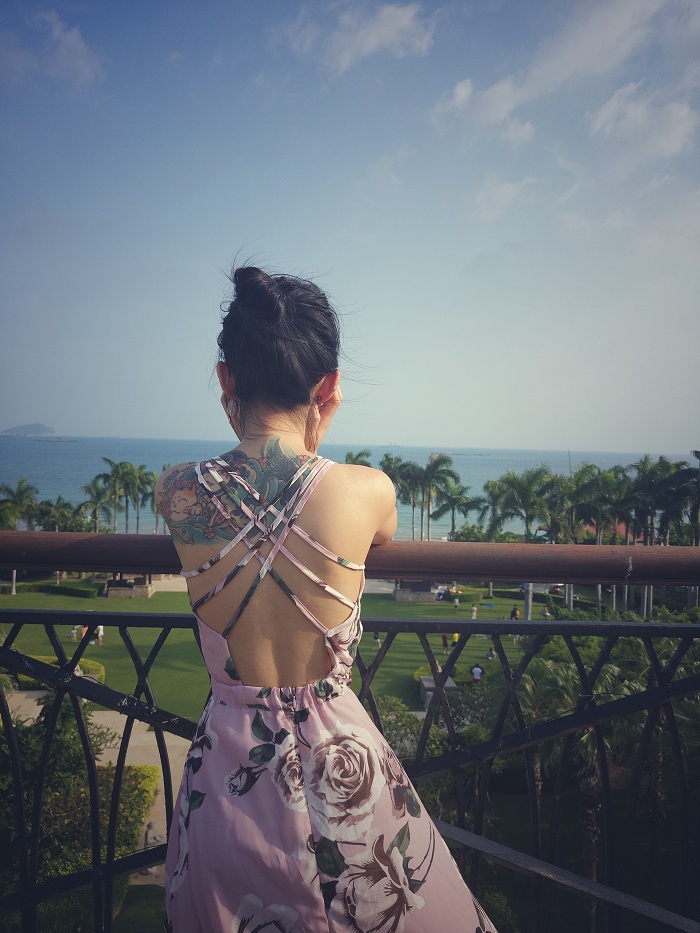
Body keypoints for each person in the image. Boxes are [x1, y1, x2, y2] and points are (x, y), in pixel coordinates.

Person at [155, 266, 496, 933]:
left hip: (225, 777)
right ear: (329, 387)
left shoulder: (177, 490)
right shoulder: (368, 491)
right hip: (343, 775)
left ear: (226, 379)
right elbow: (366, 520)